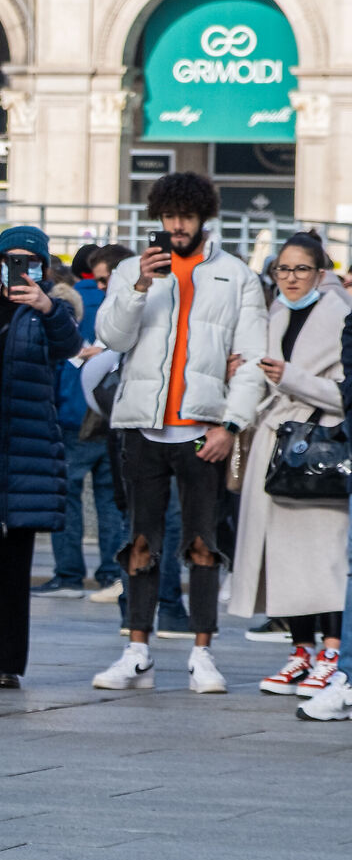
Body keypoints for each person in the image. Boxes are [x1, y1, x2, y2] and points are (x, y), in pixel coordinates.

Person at [90, 173, 266, 694]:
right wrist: (140, 286)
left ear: (203, 216)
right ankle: (137, 649)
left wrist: (232, 425)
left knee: (203, 544)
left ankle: (203, 653)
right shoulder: (130, 270)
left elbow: (254, 358)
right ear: (158, 218)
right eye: (169, 217)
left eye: (186, 217)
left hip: (202, 428)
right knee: (139, 542)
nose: (177, 226)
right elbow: (110, 337)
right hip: (143, 425)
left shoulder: (236, 276)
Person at [0, 226, 84, 688]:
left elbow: (70, 346)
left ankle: (7, 663)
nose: (19, 269)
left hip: (22, 447)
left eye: (30, 261)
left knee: (14, 564)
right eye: (11, 259)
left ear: (43, 267)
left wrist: (47, 309)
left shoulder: (52, 308)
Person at [227, 234, 348, 701]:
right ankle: (301, 651)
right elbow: (261, 379)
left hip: (320, 450)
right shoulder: (274, 313)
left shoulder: (341, 315)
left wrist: (291, 377)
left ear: (321, 272)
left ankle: (331, 655)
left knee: (324, 561)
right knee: (281, 561)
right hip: (276, 445)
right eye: (283, 269)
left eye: (301, 269)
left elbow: (344, 393)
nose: (291, 278)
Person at [44, 243, 126, 599]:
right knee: (110, 497)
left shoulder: (70, 304)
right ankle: (111, 571)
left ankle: (68, 574)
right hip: (113, 413)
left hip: (72, 414)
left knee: (67, 496)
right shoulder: (121, 304)